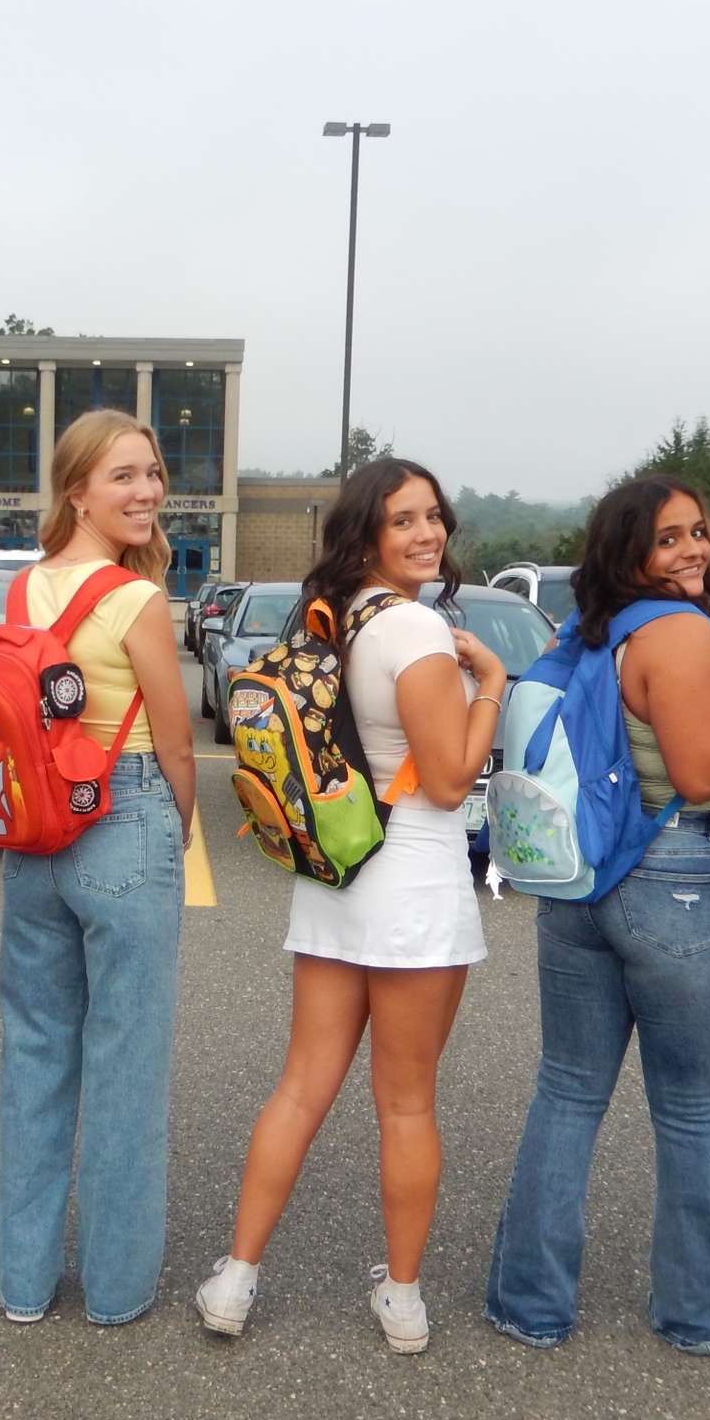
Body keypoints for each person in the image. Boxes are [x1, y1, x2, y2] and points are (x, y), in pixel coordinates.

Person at [195, 458, 504, 1354]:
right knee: (406, 1106)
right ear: (366, 531)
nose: (426, 533)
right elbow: (448, 783)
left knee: (300, 1087)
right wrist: (491, 689)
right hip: (412, 882)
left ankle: (236, 1279)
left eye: (433, 516)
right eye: (403, 519)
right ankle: (401, 1299)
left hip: (335, 873)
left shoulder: (333, 619)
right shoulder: (414, 628)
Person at [484, 474, 710, 1355]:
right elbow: (702, 774)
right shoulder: (684, 636)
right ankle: (693, 1315)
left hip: (580, 885)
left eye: (698, 532)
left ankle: (530, 1303)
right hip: (679, 878)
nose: (693, 549)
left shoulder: (588, 638)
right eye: (669, 539)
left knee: (568, 1091)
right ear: (631, 552)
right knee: (691, 1108)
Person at [0, 410, 196, 1326]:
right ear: (75, 490)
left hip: (33, 837)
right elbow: (181, 746)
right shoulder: (135, 602)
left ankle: (23, 1283)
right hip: (127, 812)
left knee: (35, 1057)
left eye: (151, 474)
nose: (147, 492)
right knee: (126, 1064)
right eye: (124, 476)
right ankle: (115, 1290)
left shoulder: (21, 591)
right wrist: (175, 833)